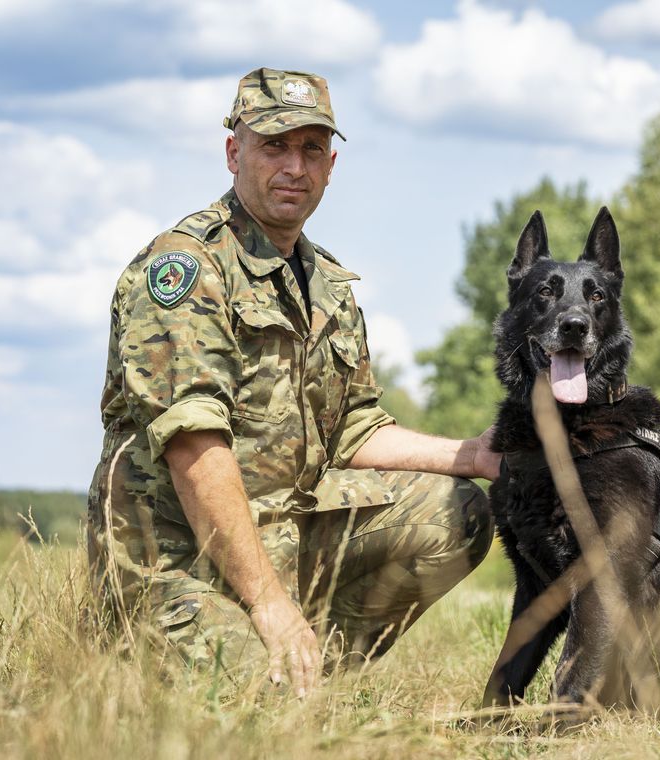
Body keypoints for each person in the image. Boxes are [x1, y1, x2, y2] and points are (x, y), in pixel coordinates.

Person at [87, 68, 499, 697]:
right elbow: (194, 449)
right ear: (234, 152)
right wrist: (270, 606)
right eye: (273, 146)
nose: (294, 167)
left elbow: (355, 429)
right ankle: (258, 658)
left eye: (311, 149)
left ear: (331, 165)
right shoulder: (186, 269)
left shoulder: (327, 285)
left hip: (287, 539)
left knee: (457, 510)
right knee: (251, 711)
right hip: (175, 558)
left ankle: (314, 676)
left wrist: (471, 455)